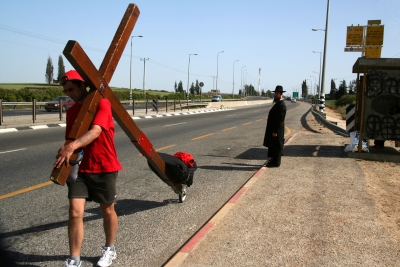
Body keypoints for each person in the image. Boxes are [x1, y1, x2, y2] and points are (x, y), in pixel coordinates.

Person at [54, 70, 122, 267]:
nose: (69, 94)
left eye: (72, 89)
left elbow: (96, 131)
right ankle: (74, 259)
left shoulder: (103, 103)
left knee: (107, 209)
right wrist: (65, 152)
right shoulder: (72, 112)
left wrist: (71, 147)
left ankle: (110, 248)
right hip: (81, 169)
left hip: (104, 165)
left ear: (83, 85)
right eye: (66, 91)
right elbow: (70, 139)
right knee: (75, 212)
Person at [263, 85, 287, 167]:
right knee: (273, 145)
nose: (275, 95)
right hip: (274, 129)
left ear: (281, 94)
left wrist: (275, 131)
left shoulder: (281, 105)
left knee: (277, 145)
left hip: (277, 130)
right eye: (275, 93)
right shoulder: (278, 104)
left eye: (277, 93)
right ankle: (273, 159)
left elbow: (279, 121)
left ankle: (276, 162)